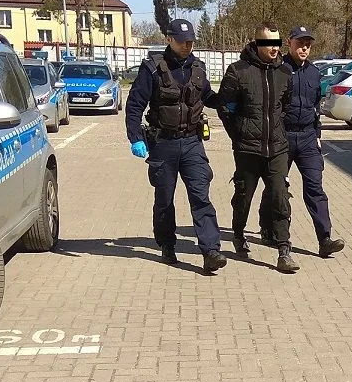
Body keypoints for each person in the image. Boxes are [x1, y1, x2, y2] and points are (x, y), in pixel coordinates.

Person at [125, 19, 226, 273]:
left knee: (201, 196)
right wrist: (135, 137)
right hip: (163, 143)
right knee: (164, 199)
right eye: (182, 42)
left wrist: (228, 100)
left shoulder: (198, 68)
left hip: (192, 142)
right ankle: (167, 244)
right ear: (169, 39)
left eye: (190, 41)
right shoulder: (152, 69)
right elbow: (135, 105)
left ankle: (211, 251)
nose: (187, 46)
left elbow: (207, 96)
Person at [218, 22, 299, 273]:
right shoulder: (238, 71)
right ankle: (238, 233)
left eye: (276, 43)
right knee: (244, 197)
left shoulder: (285, 72)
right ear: (256, 43)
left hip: (277, 148)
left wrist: (277, 131)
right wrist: (239, 135)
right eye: (268, 43)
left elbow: (284, 107)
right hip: (247, 149)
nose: (274, 48)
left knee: (279, 196)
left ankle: (284, 249)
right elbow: (225, 108)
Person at [257, 26, 345, 258]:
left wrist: (317, 135)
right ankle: (268, 226)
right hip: (282, 137)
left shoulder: (314, 73)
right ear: (289, 43)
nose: (304, 48)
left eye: (308, 44)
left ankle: (324, 238)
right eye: (300, 43)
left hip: (307, 139)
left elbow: (316, 107)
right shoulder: (278, 69)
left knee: (315, 188)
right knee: (276, 187)